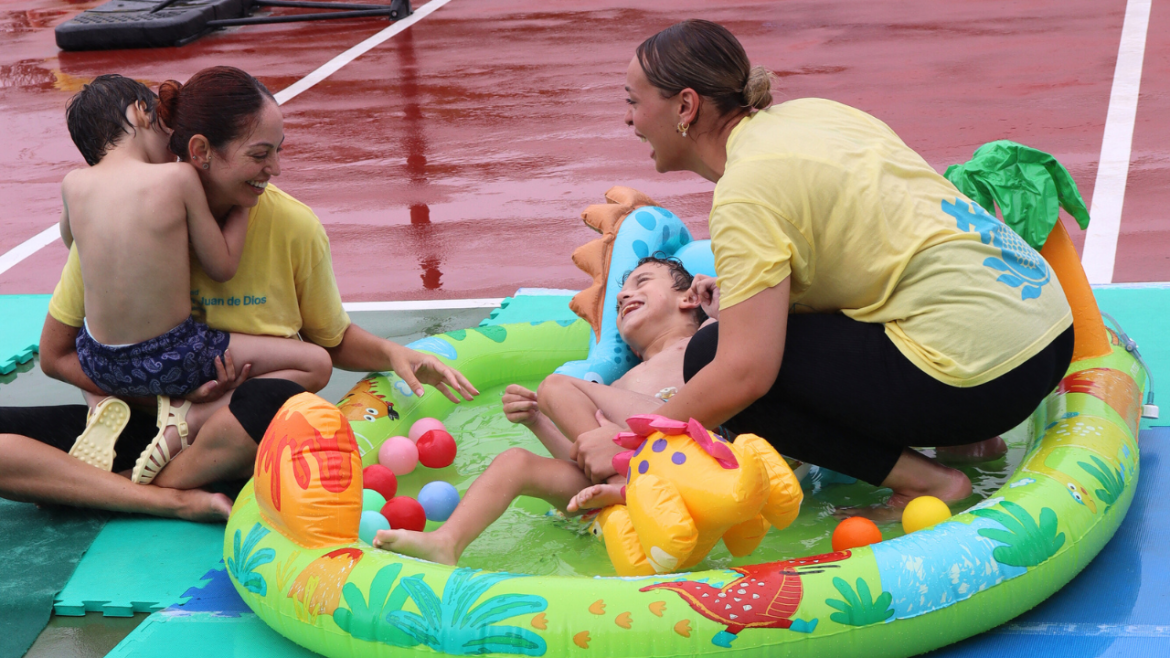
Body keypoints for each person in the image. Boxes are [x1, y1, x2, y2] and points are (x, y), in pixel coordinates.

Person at [573, 20, 1075, 511]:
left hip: (981, 383)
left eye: (633, 103)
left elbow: (744, 375)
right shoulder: (815, 114)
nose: (630, 121)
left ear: (685, 105)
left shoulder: (745, 194)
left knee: (712, 354)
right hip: (1049, 332)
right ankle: (975, 444)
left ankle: (927, 481)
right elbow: (882, 241)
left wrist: (635, 442)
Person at [0, 66, 477, 520]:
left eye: (278, 150)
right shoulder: (121, 220)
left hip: (232, 423)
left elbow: (330, 340)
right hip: (144, 418)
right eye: (258, 153)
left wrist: (392, 352)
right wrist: (166, 397)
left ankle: (105, 487)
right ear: (202, 151)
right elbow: (56, 354)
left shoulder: (292, 225)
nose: (275, 169)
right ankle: (158, 496)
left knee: (279, 400)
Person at [59, 74, 332, 483]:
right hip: (171, 357)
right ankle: (187, 420)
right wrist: (244, 205)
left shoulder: (73, 184)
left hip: (98, 363)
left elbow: (72, 243)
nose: (170, 146)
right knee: (314, 363)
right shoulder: (176, 179)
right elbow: (222, 267)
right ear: (140, 113)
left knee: (92, 339)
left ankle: (101, 408)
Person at [373, 257, 709, 564]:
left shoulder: (705, 340)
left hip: (682, 471)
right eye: (620, 294)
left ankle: (627, 488)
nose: (623, 297)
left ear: (690, 298)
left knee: (555, 386)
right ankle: (446, 542)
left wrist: (719, 300)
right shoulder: (618, 387)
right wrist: (538, 421)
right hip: (623, 482)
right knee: (514, 462)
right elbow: (590, 458)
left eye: (642, 282)